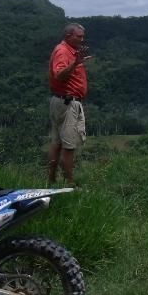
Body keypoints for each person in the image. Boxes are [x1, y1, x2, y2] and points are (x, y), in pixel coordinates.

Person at [47, 23, 92, 188]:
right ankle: (70, 184)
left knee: (57, 142)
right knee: (69, 144)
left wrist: (76, 62)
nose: (82, 39)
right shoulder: (62, 51)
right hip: (67, 103)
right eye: (78, 36)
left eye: (83, 36)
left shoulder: (69, 51)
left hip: (63, 101)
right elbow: (59, 75)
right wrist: (75, 63)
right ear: (68, 36)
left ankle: (51, 181)